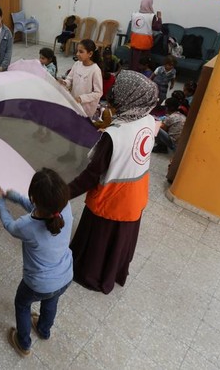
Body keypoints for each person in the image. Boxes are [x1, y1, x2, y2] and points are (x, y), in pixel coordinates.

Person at [67, 70, 158, 294]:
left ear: (129, 95)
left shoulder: (115, 135)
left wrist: (62, 193)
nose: (114, 91)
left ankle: (91, 275)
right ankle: (114, 272)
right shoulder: (148, 119)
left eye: (118, 88)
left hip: (112, 196)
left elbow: (91, 175)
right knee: (120, 240)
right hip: (135, 194)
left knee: (99, 238)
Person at [0, 168, 73, 357]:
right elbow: (40, 209)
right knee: (51, 300)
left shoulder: (26, 226)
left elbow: (9, 225)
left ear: (33, 198)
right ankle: (44, 330)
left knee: (22, 304)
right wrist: (14, 196)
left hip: (38, 284)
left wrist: (0, 201)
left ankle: (23, 344)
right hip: (65, 277)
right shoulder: (66, 208)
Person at [61, 39, 103, 118]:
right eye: (77, 51)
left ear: (90, 54)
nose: (77, 54)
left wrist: (81, 98)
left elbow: (98, 93)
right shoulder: (77, 64)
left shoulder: (95, 70)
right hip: (74, 103)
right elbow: (69, 79)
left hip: (86, 107)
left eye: (81, 52)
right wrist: (64, 82)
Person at [129, 0, 162, 70]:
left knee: (133, 61)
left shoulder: (134, 14)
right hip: (145, 43)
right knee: (142, 62)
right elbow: (157, 27)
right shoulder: (151, 16)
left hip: (134, 41)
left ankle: (131, 75)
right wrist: (159, 18)